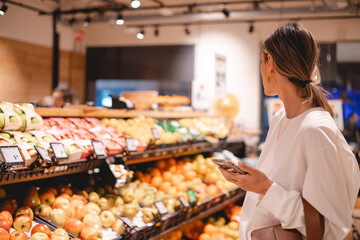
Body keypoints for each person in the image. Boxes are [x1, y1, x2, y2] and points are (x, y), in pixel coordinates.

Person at [218, 23, 360, 240]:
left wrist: (266, 188)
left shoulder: (316, 130)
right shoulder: (281, 118)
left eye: (261, 61)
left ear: (270, 61)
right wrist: (253, 181)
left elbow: (331, 229)